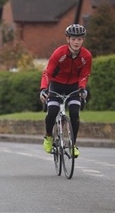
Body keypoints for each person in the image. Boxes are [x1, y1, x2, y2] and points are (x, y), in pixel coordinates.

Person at [39, 24, 92, 158]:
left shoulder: (86, 56)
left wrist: (82, 88)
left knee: (74, 113)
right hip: (56, 85)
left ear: (83, 40)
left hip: (74, 86)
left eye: (79, 39)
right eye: (73, 39)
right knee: (52, 112)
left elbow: (84, 75)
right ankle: (49, 137)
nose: (76, 42)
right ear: (67, 39)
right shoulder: (59, 53)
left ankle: (73, 144)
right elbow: (47, 73)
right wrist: (44, 89)